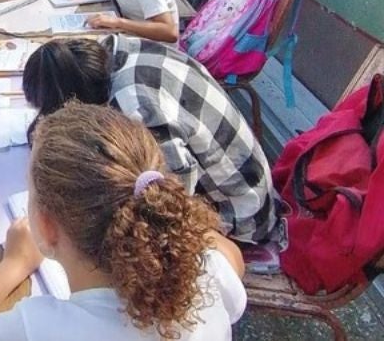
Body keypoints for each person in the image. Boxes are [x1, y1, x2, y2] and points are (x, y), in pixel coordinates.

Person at [0, 102, 247, 341]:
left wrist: (13, 265)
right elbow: (232, 257)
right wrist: (182, 229)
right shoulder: (203, 275)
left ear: (48, 228)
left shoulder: (39, 329)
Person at [21, 36, 284, 245]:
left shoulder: (136, 109)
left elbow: (171, 199)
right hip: (232, 179)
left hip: (239, 213)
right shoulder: (111, 52)